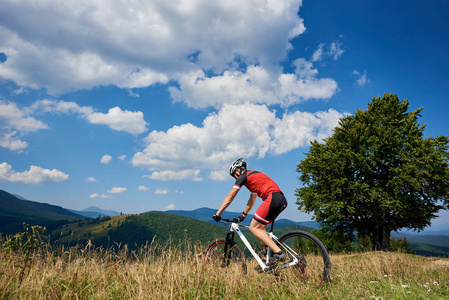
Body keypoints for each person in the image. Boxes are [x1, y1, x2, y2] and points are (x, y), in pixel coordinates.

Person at [213, 158, 288, 266]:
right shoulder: (254, 176)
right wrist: (244, 214)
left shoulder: (244, 176)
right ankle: (265, 260)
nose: (235, 177)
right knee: (261, 229)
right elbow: (252, 199)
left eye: (234, 174)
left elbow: (231, 196)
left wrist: (218, 213)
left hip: (272, 198)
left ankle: (279, 253)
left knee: (254, 227)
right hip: (281, 199)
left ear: (238, 170)